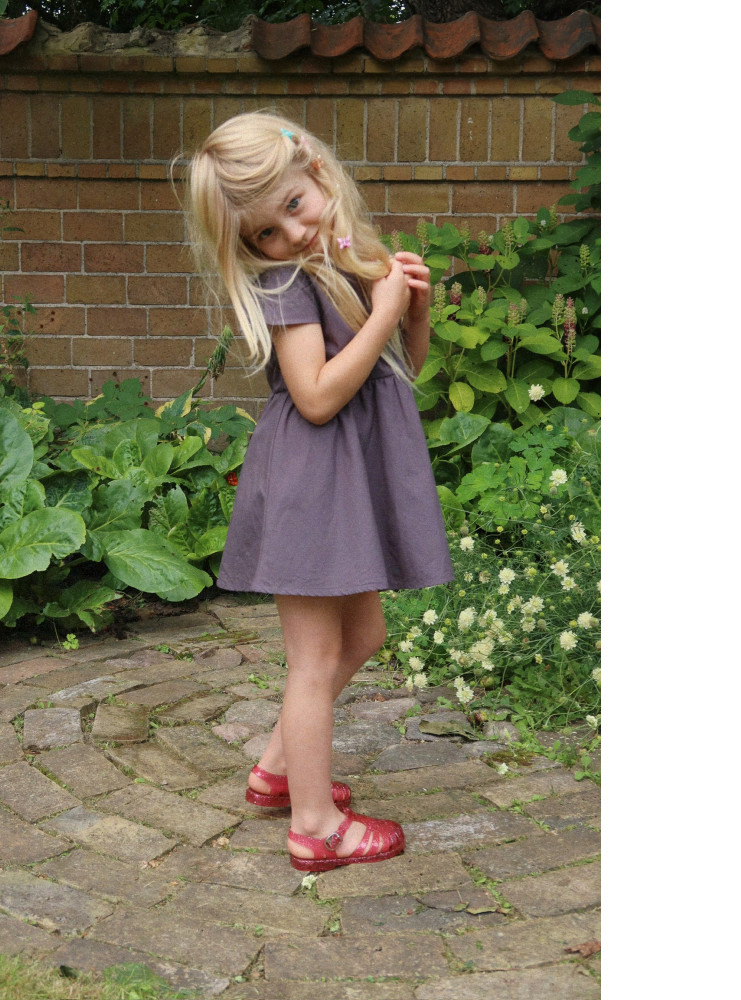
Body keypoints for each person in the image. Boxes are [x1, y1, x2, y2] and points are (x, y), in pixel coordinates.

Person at [186, 112, 454, 871]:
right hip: (310, 484)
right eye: (266, 233)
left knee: (363, 636)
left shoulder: (341, 261)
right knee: (314, 658)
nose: (291, 235)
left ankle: (278, 770)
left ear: (319, 175)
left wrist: (414, 313)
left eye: (295, 207)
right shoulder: (283, 284)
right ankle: (315, 826)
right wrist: (386, 311)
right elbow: (316, 396)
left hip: (347, 483)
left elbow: (401, 368)